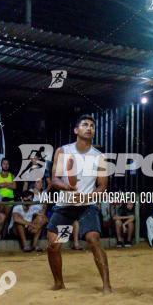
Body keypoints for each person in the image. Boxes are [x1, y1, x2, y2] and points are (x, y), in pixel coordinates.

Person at [46, 115, 112, 293]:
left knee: (93, 239)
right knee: (54, 246)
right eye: (84, 125)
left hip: (86, 207)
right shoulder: (63, 151)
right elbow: (54, 179)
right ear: (76, 130)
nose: (89, 128)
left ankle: (106, 286)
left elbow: (102, 186)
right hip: (65, 207)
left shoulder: (99, 157)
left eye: (92, 125)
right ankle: (59, 283)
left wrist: (86, 198)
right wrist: (67, 188)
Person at [0, 157, 18, 240]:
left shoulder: (12, 175)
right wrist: (7, 184)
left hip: (9, 200)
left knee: (6, 219)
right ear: (1, 165)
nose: (6, 165)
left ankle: (3, 237)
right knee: (0, 218)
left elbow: (14, 186)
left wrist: (2, 184)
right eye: (4, 164)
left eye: (7, 164)